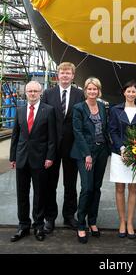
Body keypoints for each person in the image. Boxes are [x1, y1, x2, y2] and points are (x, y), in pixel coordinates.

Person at [9, 81, 56, 242]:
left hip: (41, 160)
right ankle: (23, 225)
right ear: (26, 93)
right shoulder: (20, 110)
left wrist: (50, 157)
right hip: (21, 159)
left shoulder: (48, 111)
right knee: (22, 194)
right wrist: (12, 157)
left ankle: (38, 226)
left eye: (35, 91)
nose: (32, 93)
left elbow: (52, 137)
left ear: (40, 92)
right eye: (30, 91)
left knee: (39, 194)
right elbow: (15, 136)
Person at [42, 62, 85, 233]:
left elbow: (82, 120)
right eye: (62, 73)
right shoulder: (47, 94)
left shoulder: (80, 94)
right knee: (50, 183)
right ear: (57, 75)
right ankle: (49, 218)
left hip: (71, 146)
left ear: (73, 76)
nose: (65, 75)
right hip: (51, 146)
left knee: (70, 183)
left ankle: (69, 216)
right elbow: (43, 120)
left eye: (68, 73)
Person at [70, 77, 111, 243]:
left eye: (95, 89)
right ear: (85, 90)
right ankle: (81, 224)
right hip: (84, 152)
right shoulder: (78, 108)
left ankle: (92, 221)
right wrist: (87, 154)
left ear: (99, 91)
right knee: (87, 188)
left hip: (101, 151)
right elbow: (77, 132)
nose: (92, 92)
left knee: (97, 187)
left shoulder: (102, 106)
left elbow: (105, 128)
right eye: (90, 89)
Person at [109, 80, 136, 239]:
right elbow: (112, 131)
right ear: (124, 93)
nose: (131, 94)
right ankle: (122, 222)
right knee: (119, 188)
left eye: (134, 92)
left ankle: (130, 222)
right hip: (119, 154)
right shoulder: (115, 110)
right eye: (128, 91)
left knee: (133, 188)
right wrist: (122, 148)